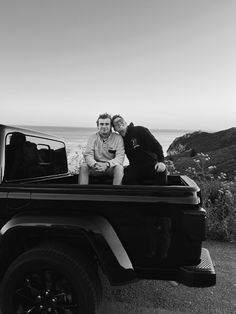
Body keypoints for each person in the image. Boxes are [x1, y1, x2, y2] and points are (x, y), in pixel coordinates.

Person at [111, 115, 167, 185]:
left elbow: (157, 146)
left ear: (125, 123)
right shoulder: (119, 140)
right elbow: (115, 154)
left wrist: (161, 161)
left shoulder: (140, 130)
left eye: (120, 121)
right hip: (135, 167)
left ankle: (160, 195)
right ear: (115, 129)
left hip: (151, 164)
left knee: (161, 171)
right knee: (126, 180)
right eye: (116, 123)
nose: (119, 123)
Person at [78, 113, 125, 185]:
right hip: (96, 167)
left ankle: (116, 194)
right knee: (83, 167)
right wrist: (95, 164)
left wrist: (107, 165)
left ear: (110, 126)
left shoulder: (118, 138)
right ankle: (82, 193)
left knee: (119, 168)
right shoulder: (92, 137)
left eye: (107, 124)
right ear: (98, 126)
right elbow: (88, 155)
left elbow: (120, 157)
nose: (104, 126)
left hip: (110, 167)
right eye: (101, 124)